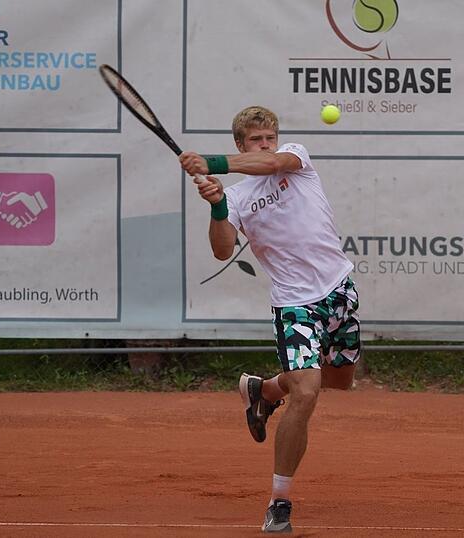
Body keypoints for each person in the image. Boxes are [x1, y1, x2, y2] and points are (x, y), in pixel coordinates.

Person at [179, 105, 361, 534]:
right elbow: (222, 250)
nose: (265, 146)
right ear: (240, 143)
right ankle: (280, 502)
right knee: (308, 392)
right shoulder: (237, 197)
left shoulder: (295, 157)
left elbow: (274, 163)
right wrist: (219, 206)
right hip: (294, 303)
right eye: (256, 140)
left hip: (339, 289)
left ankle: (263, 390)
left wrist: (212, 163)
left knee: (339, 380)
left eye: (269, 138)